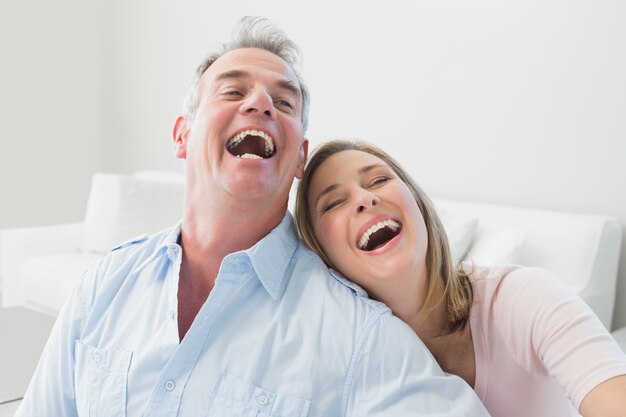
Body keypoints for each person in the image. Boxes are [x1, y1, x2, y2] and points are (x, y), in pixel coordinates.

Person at [17, 18, 489, 417]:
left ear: (300, 158)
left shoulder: (357, 332)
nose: (260, 103)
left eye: (284, 103)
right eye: (232, 90)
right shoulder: (102, 286)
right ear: (182, 136)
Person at [295, 139, 626, 417]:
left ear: (417, 204)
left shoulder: (524, 296)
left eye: (378, 180)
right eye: (334, 203)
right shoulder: (337, 363)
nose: (365, 199)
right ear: (321, 253)